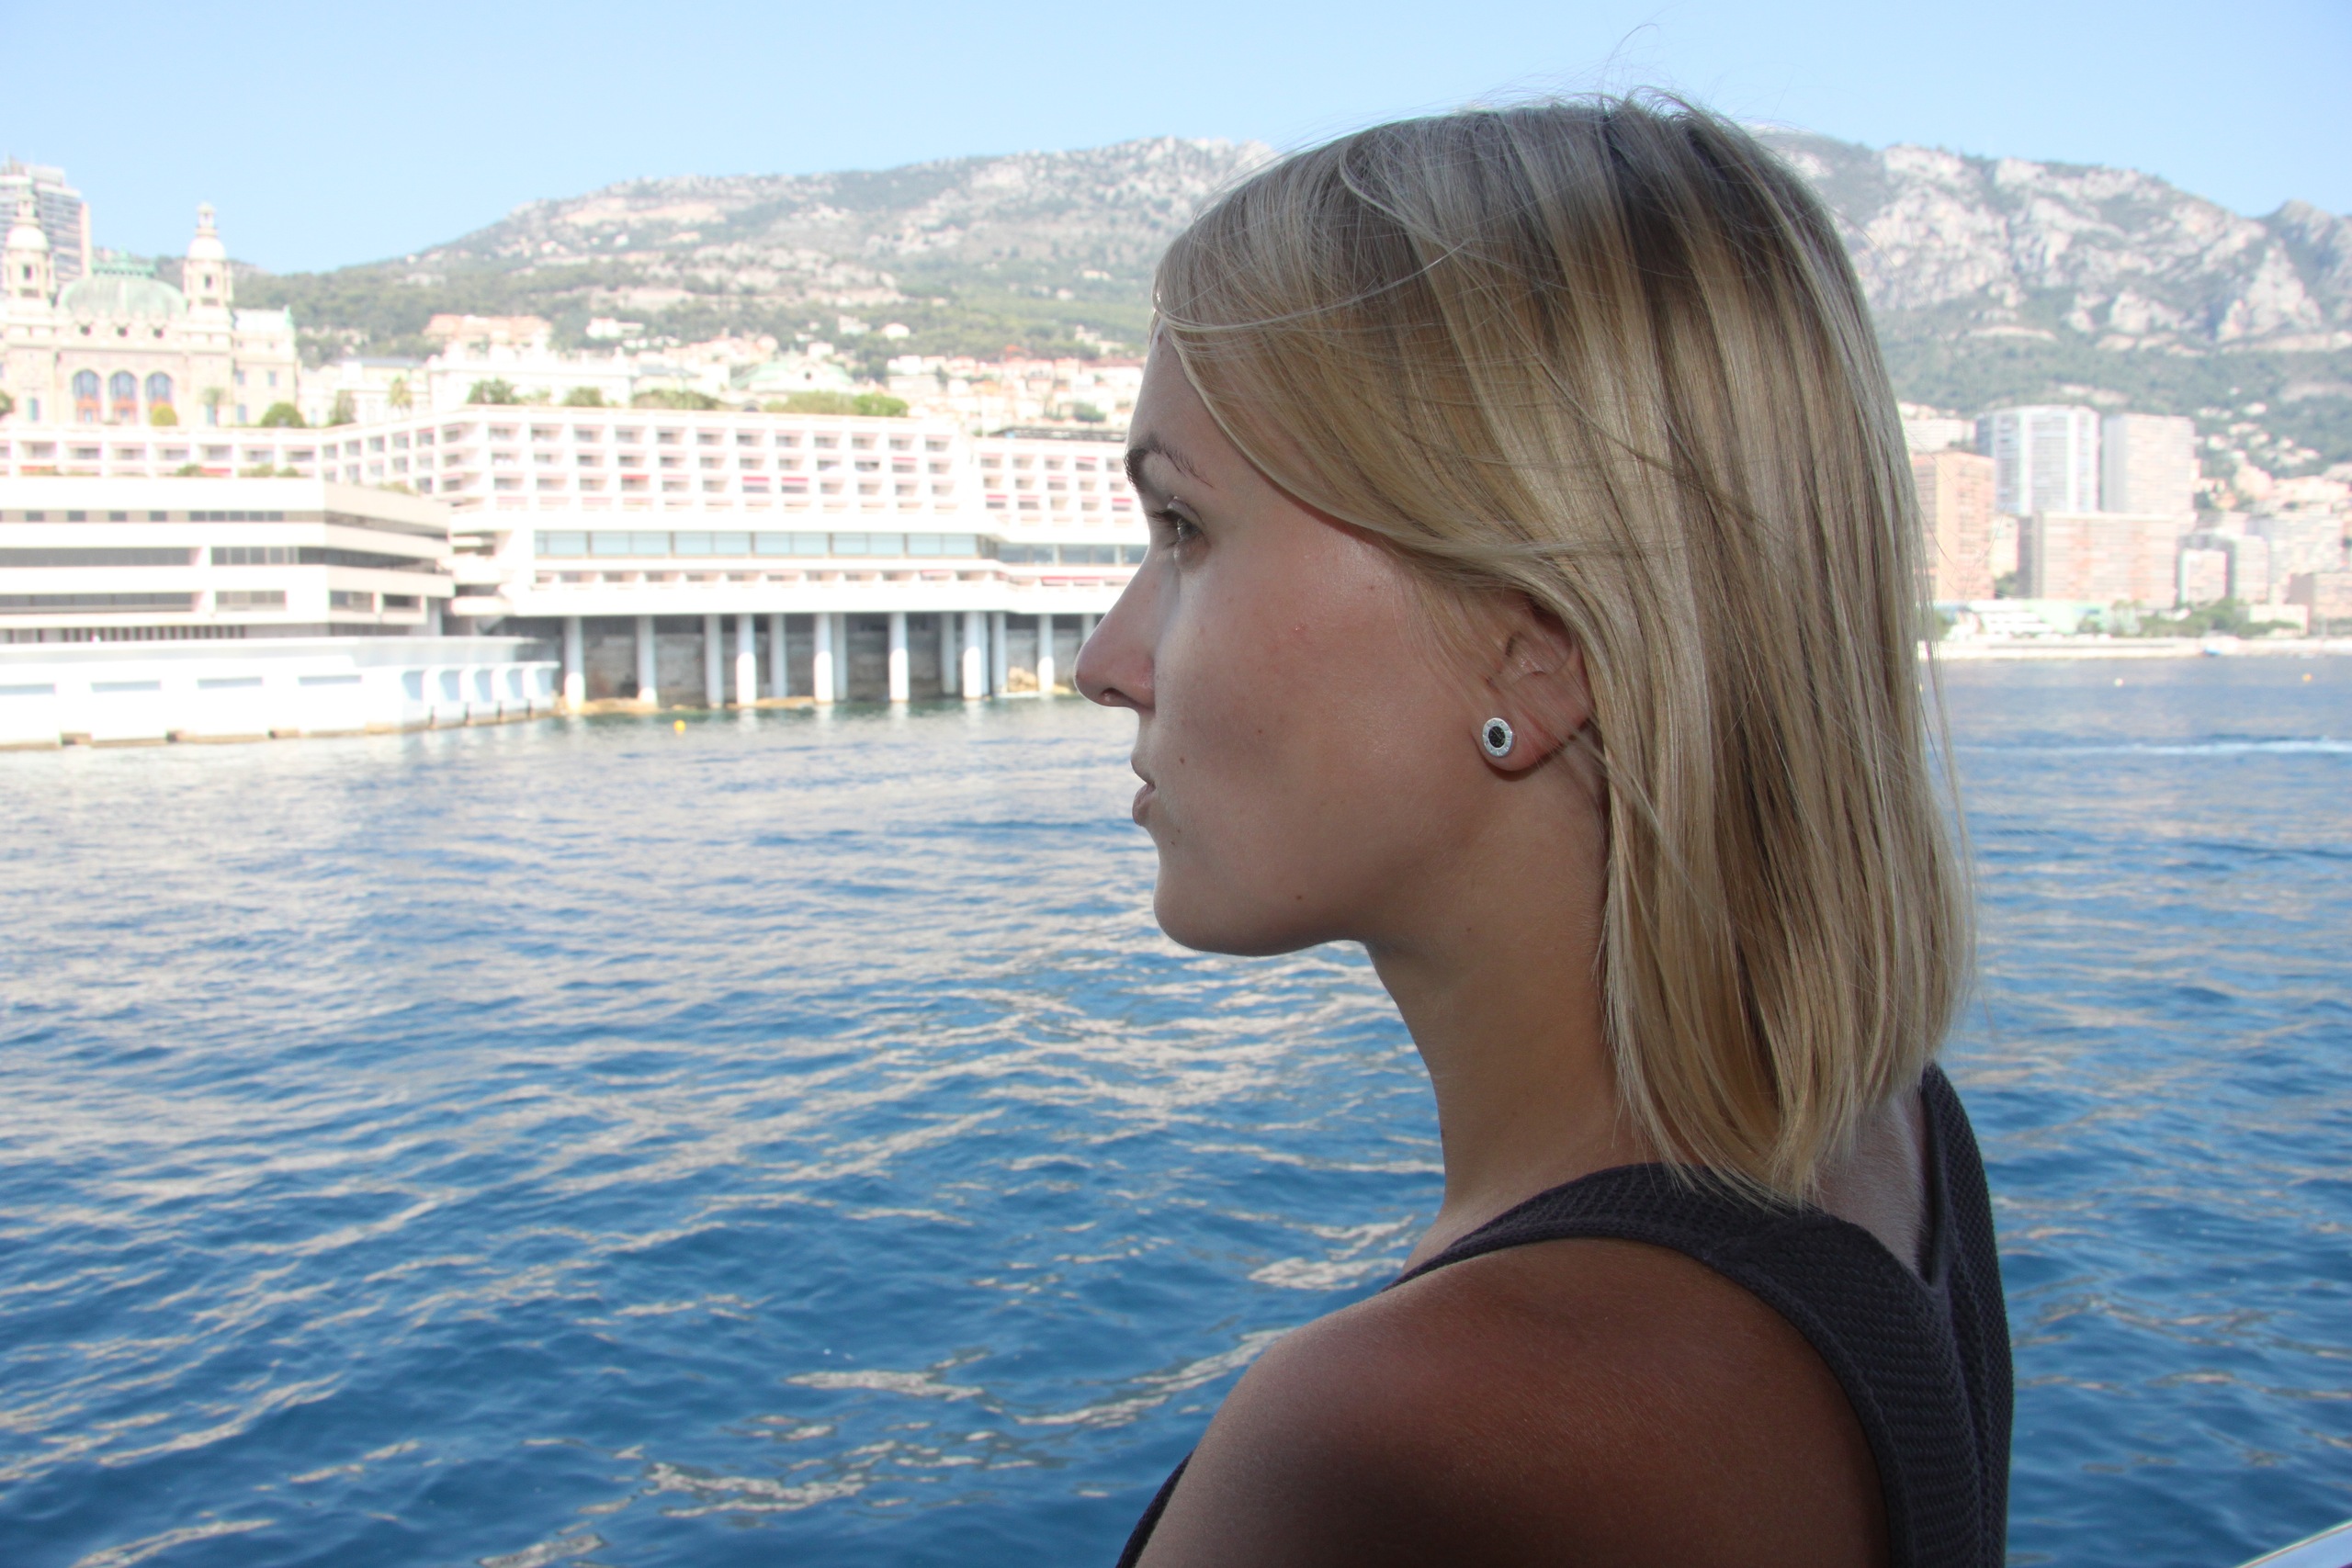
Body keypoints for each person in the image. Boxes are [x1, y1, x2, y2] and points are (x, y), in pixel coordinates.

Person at [1073, 96, 2009, 1568]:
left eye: (1183, 529)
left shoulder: (1400, 1447)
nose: (1107, 662)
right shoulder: (1893, 1137)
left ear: (1534, 647)